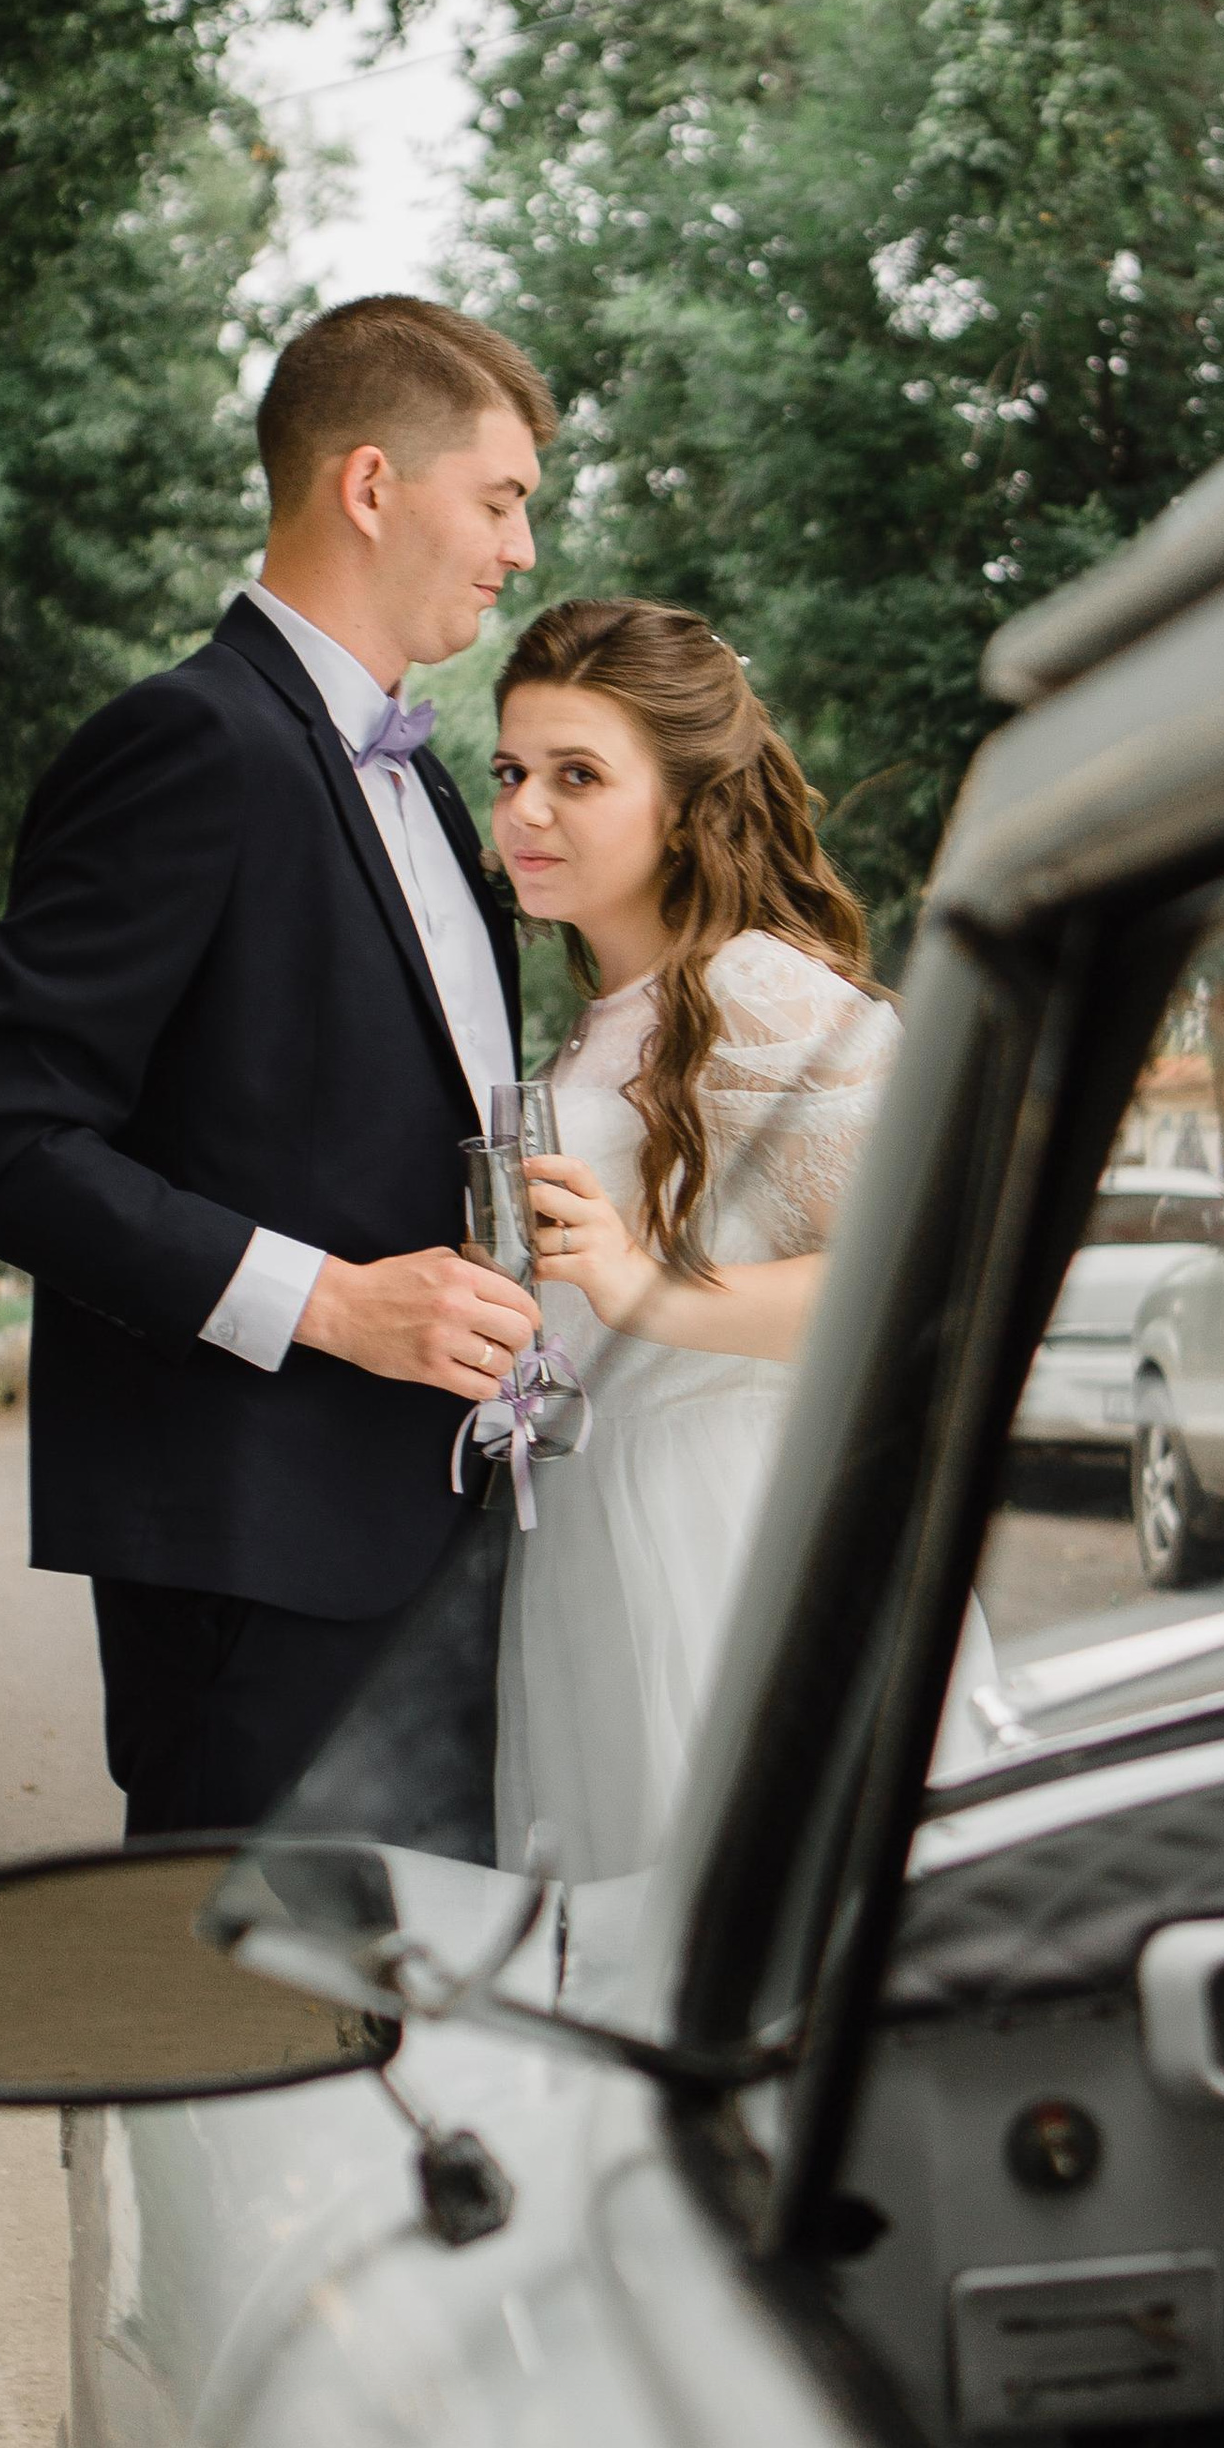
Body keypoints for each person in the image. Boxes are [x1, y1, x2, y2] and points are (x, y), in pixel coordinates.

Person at [0, 296, 554, 1837]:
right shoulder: (191, 744)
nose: (522, 549)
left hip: (447, 1532)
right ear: (374, 485)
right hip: (259, 1565)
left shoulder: (434, 795)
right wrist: (332, 1302)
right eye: (503, 499)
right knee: (236, 2044)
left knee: (391, 2050)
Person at [487, 598, 899, 1880]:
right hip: (588, 1529)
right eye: (510, 772)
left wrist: (643, 1289)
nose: (525, 813)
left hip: (725, 1534)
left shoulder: (755, 989)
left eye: (578, 776)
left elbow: (915, 1277)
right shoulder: (603, 1020)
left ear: (686, 805)